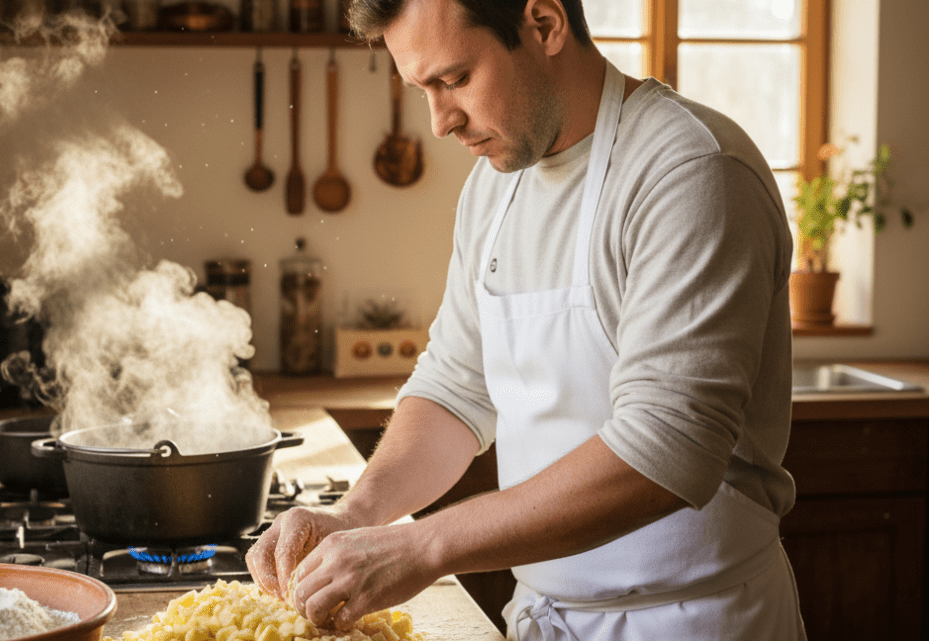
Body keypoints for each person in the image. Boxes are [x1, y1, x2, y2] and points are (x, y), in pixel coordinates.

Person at [245, 0, 806, 638]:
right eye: (422, 88)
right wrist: (358, 514)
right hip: (549, 618)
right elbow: (457, 387)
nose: (439, 121)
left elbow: (667, 448)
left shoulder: (690, 171)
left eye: (454, 80)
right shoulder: (495, 185)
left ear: (543, 24)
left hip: (695, 620)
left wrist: (422, 546)